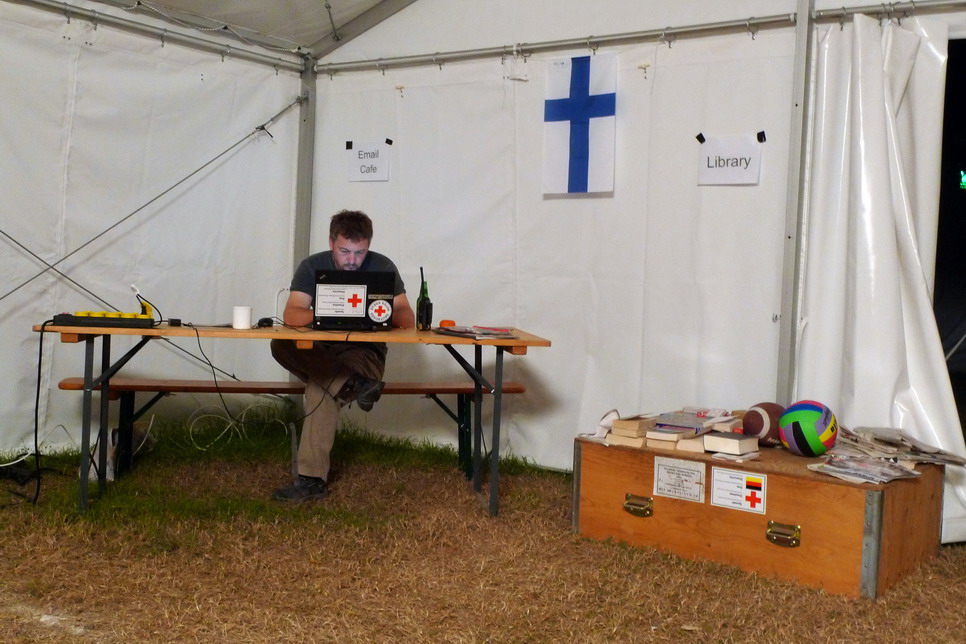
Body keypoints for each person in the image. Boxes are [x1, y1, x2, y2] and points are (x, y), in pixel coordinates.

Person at [270, 210, 414, 501]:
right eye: (344, 251)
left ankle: (312, 481)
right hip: (322, 349)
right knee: (280, 343)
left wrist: (369, 314)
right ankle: (354, 384)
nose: (352, 260)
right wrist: (330, 313)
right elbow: (291, 314)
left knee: (321, 386)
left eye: (360, 252)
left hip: (364, 354)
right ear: (331, 243)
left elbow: (407, 317)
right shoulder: (312, 265)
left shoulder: (383, 266)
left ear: (368, 246)